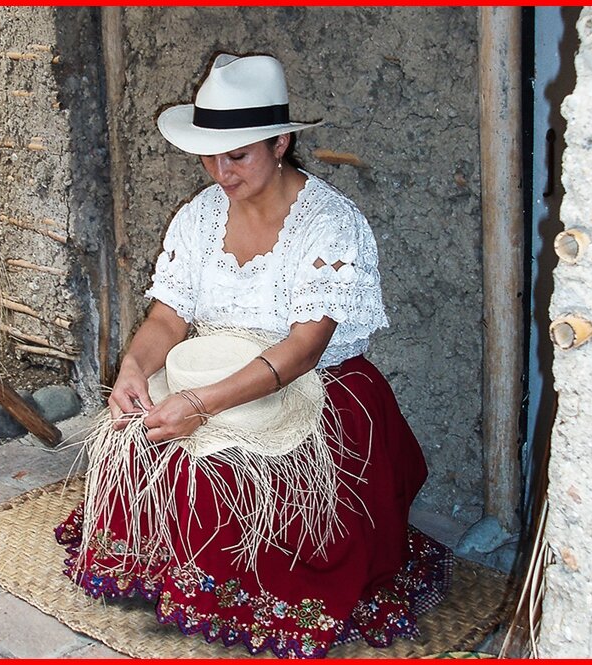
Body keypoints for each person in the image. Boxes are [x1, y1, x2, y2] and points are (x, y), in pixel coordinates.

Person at [55, 52, 453, 659]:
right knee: (147, 437)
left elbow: (303, 346)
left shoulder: (328, 224)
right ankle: (183, 580)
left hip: (313, 383)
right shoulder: (200, 218)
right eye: (210, 155)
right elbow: (167, 317)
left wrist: (201, 402)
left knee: (227, 462)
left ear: (281, 142)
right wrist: (136, 368)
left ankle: (258, 590)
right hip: (211, 370)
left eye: (237, 154)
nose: (220, 170)